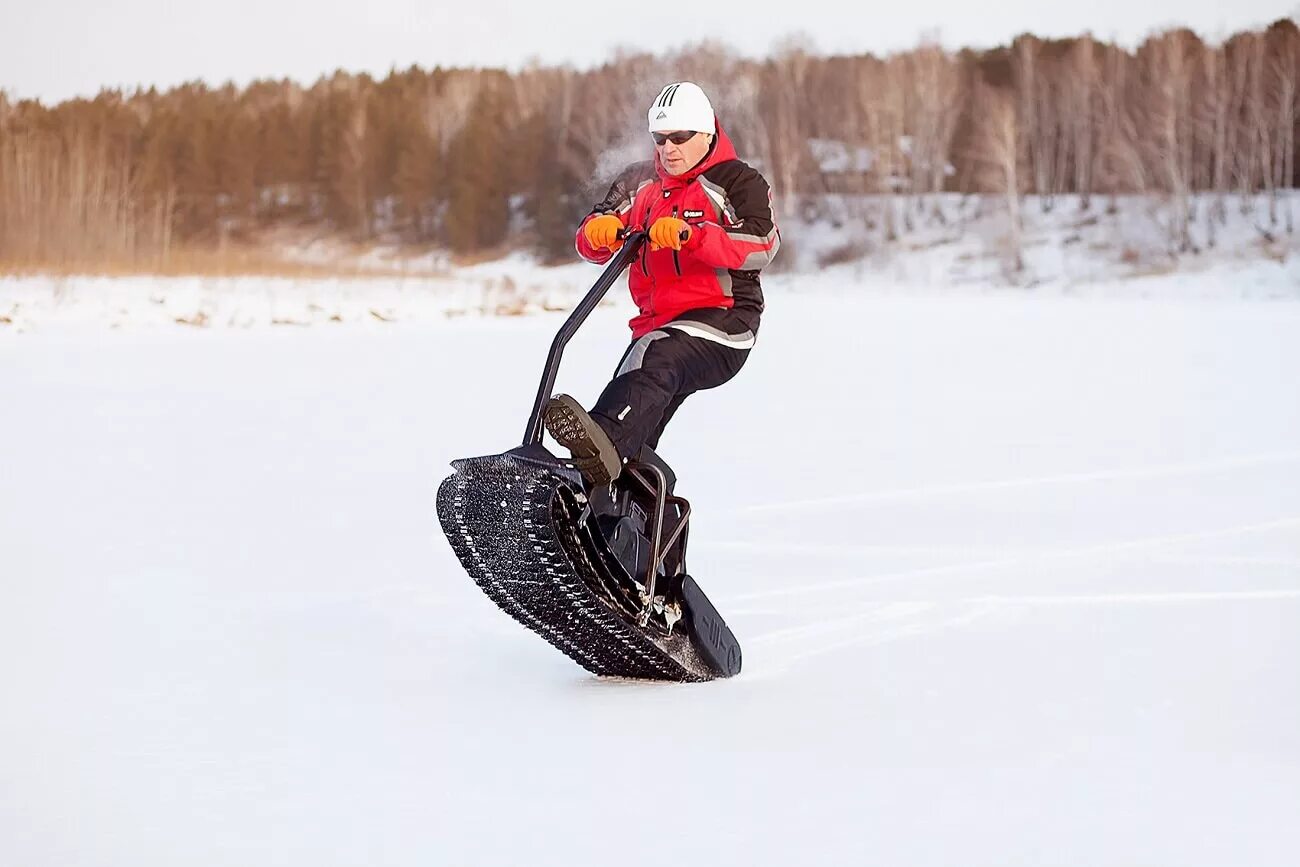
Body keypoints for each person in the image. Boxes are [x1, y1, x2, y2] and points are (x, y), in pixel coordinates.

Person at [543, 81, 781, 486]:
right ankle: (622, 519)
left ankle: (596, 464)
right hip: (656, 326)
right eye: (660, 138)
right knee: (633, 406)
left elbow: (763, 242)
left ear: (706, 133)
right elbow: (592, 232)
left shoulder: (736, 181)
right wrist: (596, 233)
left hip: (724, 320)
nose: (668, 149)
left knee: (652, 360)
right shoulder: (639, 183)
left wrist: (692, 235)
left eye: (679, 138)